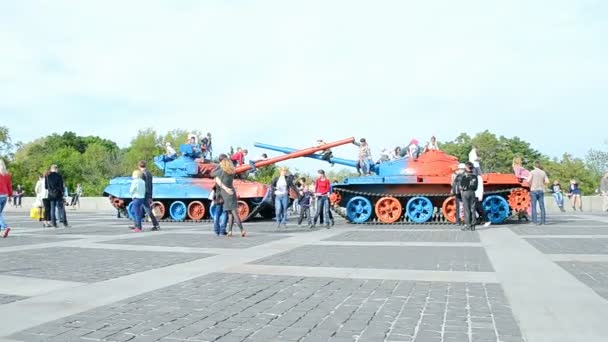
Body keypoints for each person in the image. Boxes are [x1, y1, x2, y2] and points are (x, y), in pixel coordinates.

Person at [211, 154, 246, 237]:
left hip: (223, 194)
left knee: (231, 213)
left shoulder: (222, 171)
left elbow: (212, 174)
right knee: (230, 214)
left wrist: (218, 166)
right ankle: (229, 231)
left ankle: (242, 230)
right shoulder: (232, 171)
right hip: (232, 192)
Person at [138, 161, 160, 231]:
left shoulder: (141, 174)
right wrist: (150, 195)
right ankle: (137, 225)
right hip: (148, 193)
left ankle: (156, 225)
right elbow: (150, 185)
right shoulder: (149, 173)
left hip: (143, 194)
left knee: (147, 209)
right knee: (141, 209)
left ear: (139, 166)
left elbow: (141, 185)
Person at [526, 161, 549, 225]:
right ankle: (543, 222)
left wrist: (530, 185)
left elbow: (528, 180)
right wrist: (542, 183)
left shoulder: (532, 172)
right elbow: (547, 181)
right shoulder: (543, 172)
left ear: (534, 166)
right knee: (542, 206)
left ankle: (535, 222)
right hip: (541, 190)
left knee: (534, 207)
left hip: (533, 190)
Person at [458, 162, 478, 231]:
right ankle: (473, 225)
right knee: (473, 209)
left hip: (465, 193)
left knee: (466, 209)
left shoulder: (464, 175)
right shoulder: (475, 176)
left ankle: (467, 225)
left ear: (466, 167)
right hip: (472, 192)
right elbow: (476, 187)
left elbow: (461, 186)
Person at [0, 159, 12, 238]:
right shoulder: (7, 174)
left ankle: (5, 227)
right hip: (5, 196)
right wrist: (10, 196)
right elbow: (9, 186)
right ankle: (1, 231)